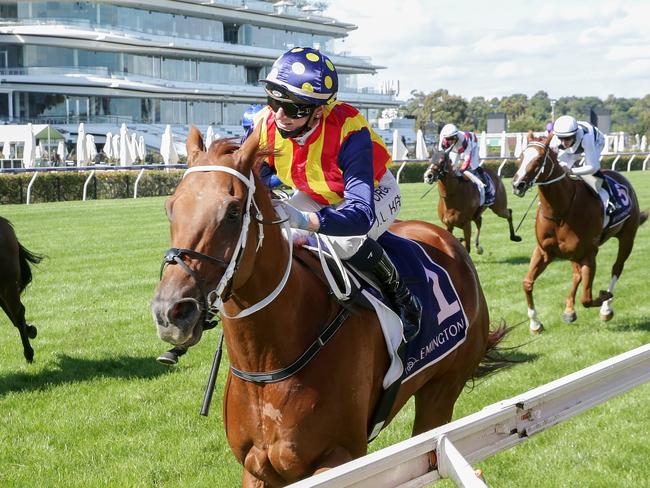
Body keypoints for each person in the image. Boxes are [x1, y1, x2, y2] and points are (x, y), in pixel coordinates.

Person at [248, 46, 421, 342]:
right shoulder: (264, 122)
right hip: (317, 192)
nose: (279, 115)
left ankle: (405, 299)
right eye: (273, 100)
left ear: (318, 112)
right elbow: (254, 177)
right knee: (271, 233)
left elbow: (359, 216)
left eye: (291, 108)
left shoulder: (350, 132)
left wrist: (303, 221)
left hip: (373, 193)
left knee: (346, 241)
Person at [551, 115, 614, 214]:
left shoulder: (586, 138)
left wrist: (571, 171)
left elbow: (593, 167)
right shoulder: (555, 140)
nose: (563, 142)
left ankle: (610, 200)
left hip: (597, 142)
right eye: (561, 138)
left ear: (575, 135)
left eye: (567, 138)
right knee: (560, 169)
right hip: (574, 147)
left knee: (588, 173)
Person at [438, 123, 486, 204]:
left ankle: (482, 181)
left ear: (456, 136)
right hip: (456, 150)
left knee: (472, 166)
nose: (450, 141)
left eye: (452, 138)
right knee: (452, 167)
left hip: (472, 144)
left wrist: (462, 170)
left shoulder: (465, 140)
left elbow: (467, 158)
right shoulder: (443, 139)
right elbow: (440, 156)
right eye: (448, 139)